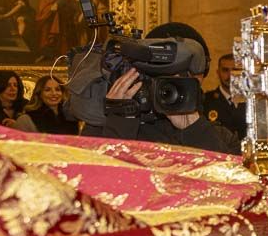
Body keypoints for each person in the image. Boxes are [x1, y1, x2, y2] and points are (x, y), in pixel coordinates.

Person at [90, 22, 227, 152]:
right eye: (164, 73)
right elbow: (96, 173)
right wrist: (119, 122)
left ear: (201, 76)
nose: (172, 84)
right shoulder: (106, 124)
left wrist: (194, 129)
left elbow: (225, 174)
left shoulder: (221, 137)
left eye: (184, 74)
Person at [203, 53, 248, 141]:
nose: (230, 75)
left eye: (234, 70)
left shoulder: (251, 101)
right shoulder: (206, 101)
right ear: (218, 72)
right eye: (225, 70)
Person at [14, 74, 79, 135]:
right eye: (47, 90)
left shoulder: (71, 117)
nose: (54, 93)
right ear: (39, 94)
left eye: (57, 89)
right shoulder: (25, 120)